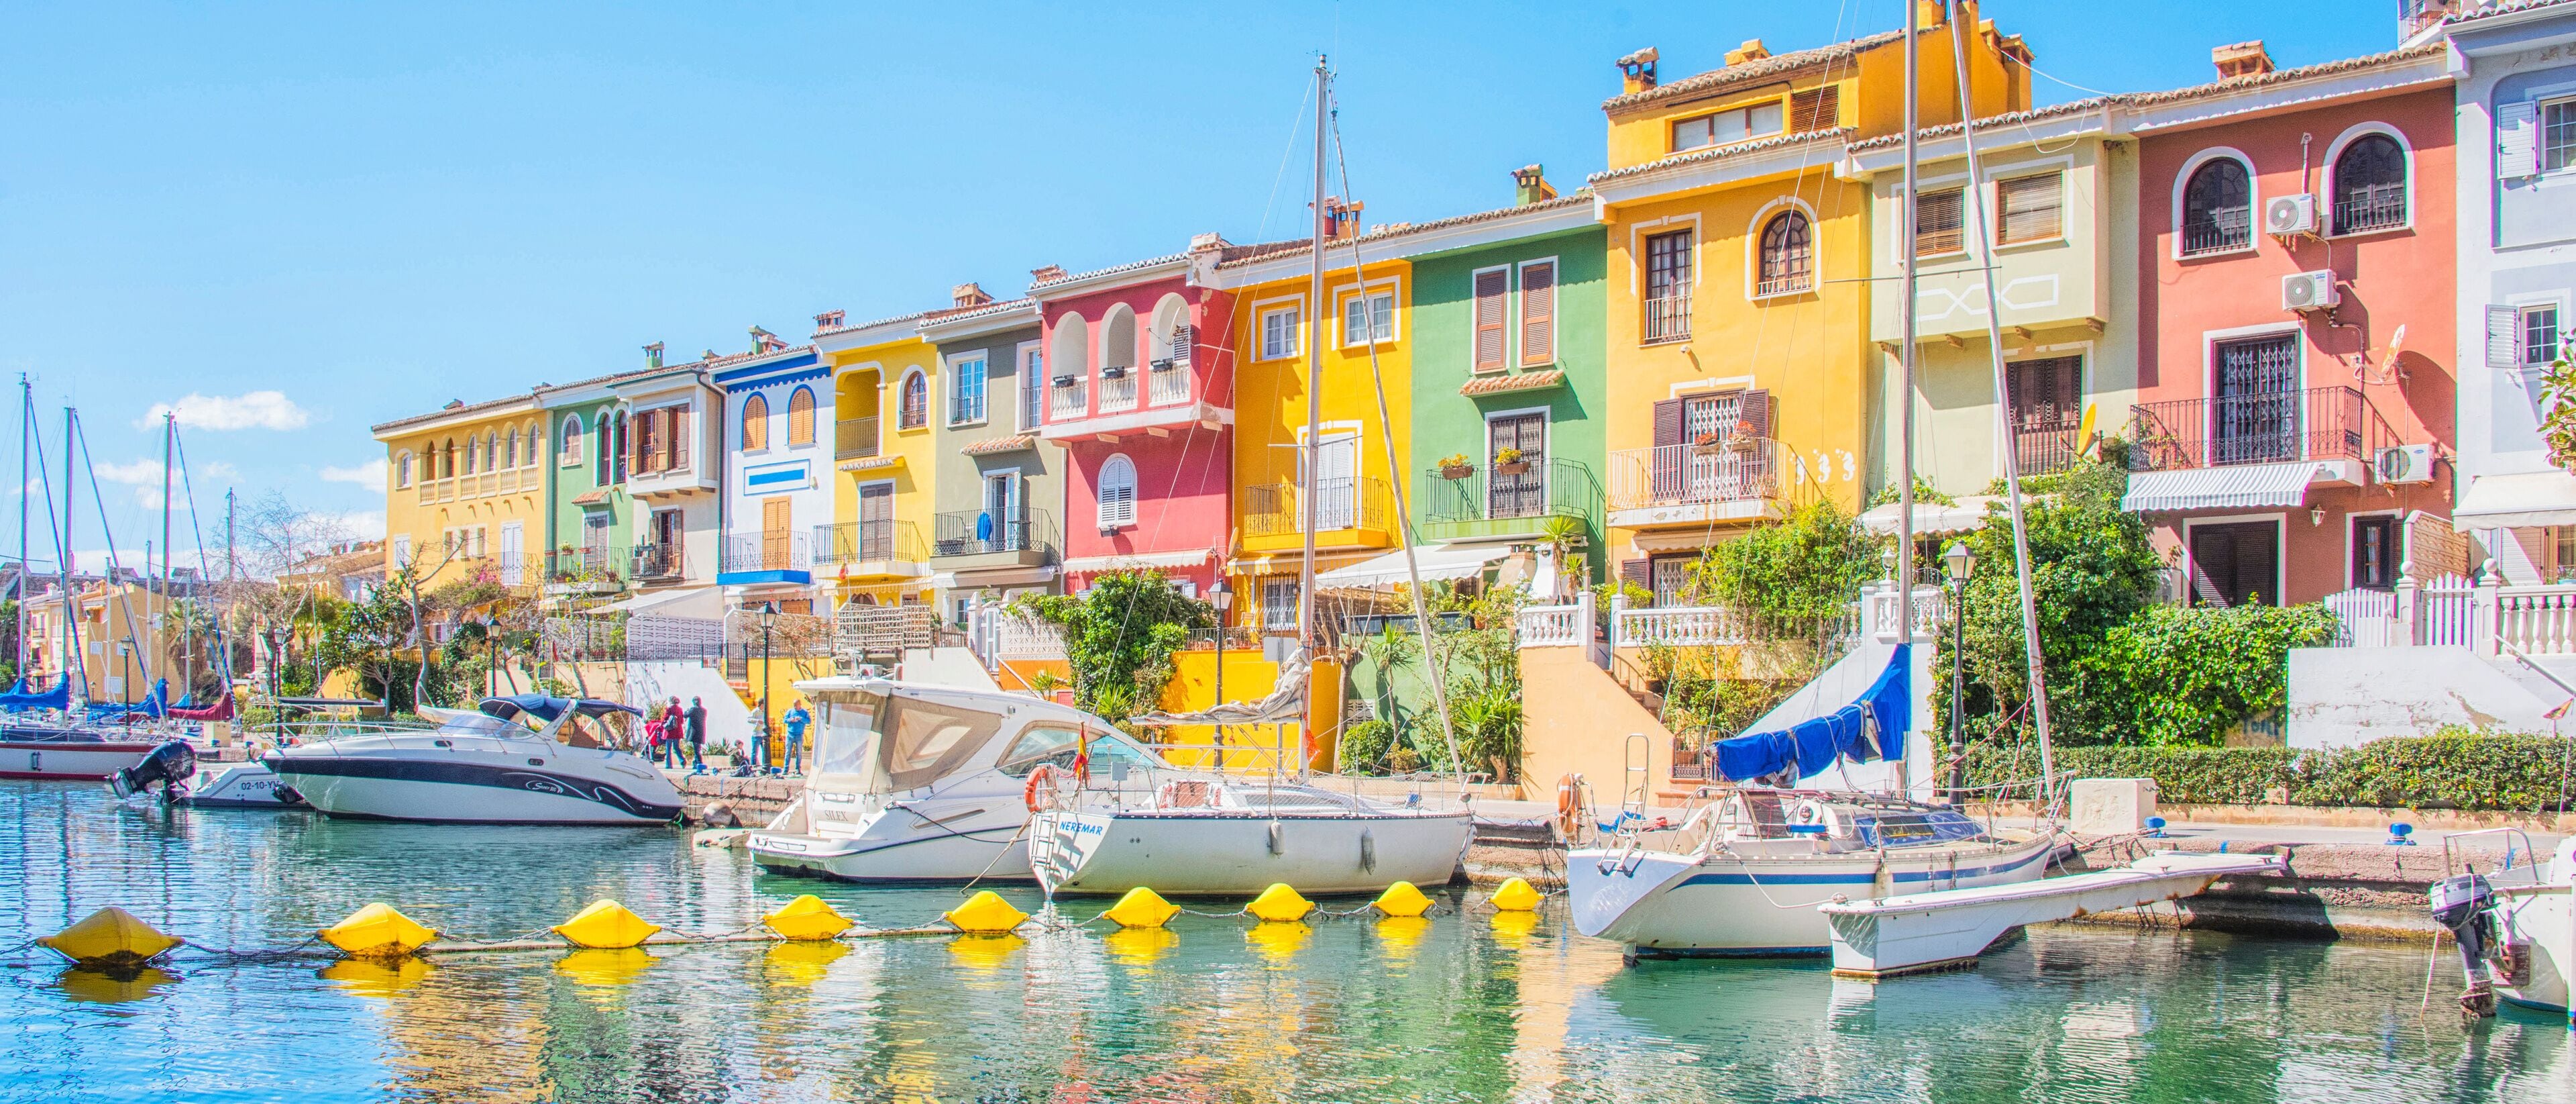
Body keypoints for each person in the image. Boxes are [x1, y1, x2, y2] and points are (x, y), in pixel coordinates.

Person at [782, 699, 811, 775]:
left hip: (799, 734)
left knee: (799, 753)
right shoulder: (790, 711)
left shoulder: (804, 712)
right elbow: (785, 720)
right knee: (788, 752)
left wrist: (801, 719)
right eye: (794, 705)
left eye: (796, 705)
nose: (795, 706)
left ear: (800, 704)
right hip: (790, 734)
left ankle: (798, 769)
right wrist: (790, 720)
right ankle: (786, 769)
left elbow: (808, 721)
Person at [686, 696, 708, 772]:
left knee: (696, 749)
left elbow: (686, 715)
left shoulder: (693, 709)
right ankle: (696, 762)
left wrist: (686, 711)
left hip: (694, 731)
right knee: (698, 748)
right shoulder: (704, 710)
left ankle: (698, 762)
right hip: (701, 731)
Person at [661, 697, 685, 769]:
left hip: (670, 732)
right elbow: (682, 721)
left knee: (668, 748)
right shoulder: (680, 709)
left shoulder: (669, 709)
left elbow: (665, 719)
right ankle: (682, 760)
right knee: (676, 747)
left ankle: (669, 765)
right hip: (678, 731)